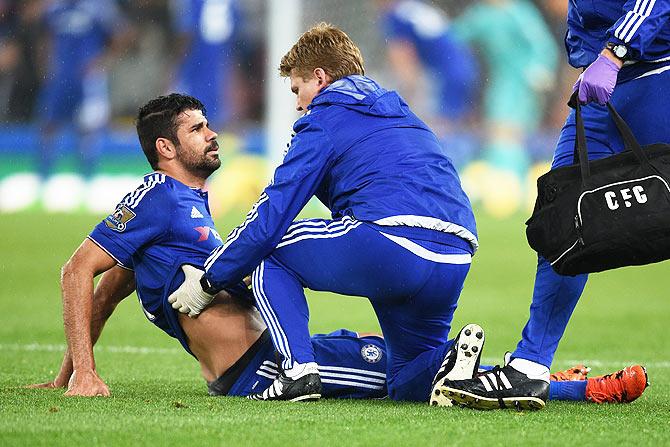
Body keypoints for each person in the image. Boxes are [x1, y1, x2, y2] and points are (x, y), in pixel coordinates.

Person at [439, 0, 667, 410]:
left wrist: (615, 52)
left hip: (656, 75)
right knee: (561, 216)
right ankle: (530, 366)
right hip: (602, 84)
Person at [451, 0, 558, 217]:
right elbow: (455, 36)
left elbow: (541, 44)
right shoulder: (482, 13)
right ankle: (499, 185)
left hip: (522, 82)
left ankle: (513, 186)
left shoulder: (519, 12)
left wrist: (539, 70)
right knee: (497, 131)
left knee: (510, 132)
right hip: (500, 80)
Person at [36, 0, 132, 182]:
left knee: (88, 127)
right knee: (49, 124)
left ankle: (87, 176)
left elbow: (123, 33)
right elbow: (46, 37)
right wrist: (46, 65)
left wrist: (103, 62)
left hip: (87, 79)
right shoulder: (55, 7)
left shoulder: (99, 7)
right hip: (60, 77)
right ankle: (44, 175)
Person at [375, 0, 479, 167]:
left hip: (446, 75)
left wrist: (405, 97)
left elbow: (404, 61)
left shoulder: (395, 16)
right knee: (455, 124)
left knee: (438, 127)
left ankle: (443, 169)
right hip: (465, 66)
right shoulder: (414, 7)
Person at [168, 0, 240, 131]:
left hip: (198, 65)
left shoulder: (194, 4)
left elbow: (186, 33)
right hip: (219, 66)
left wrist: (174, 69)